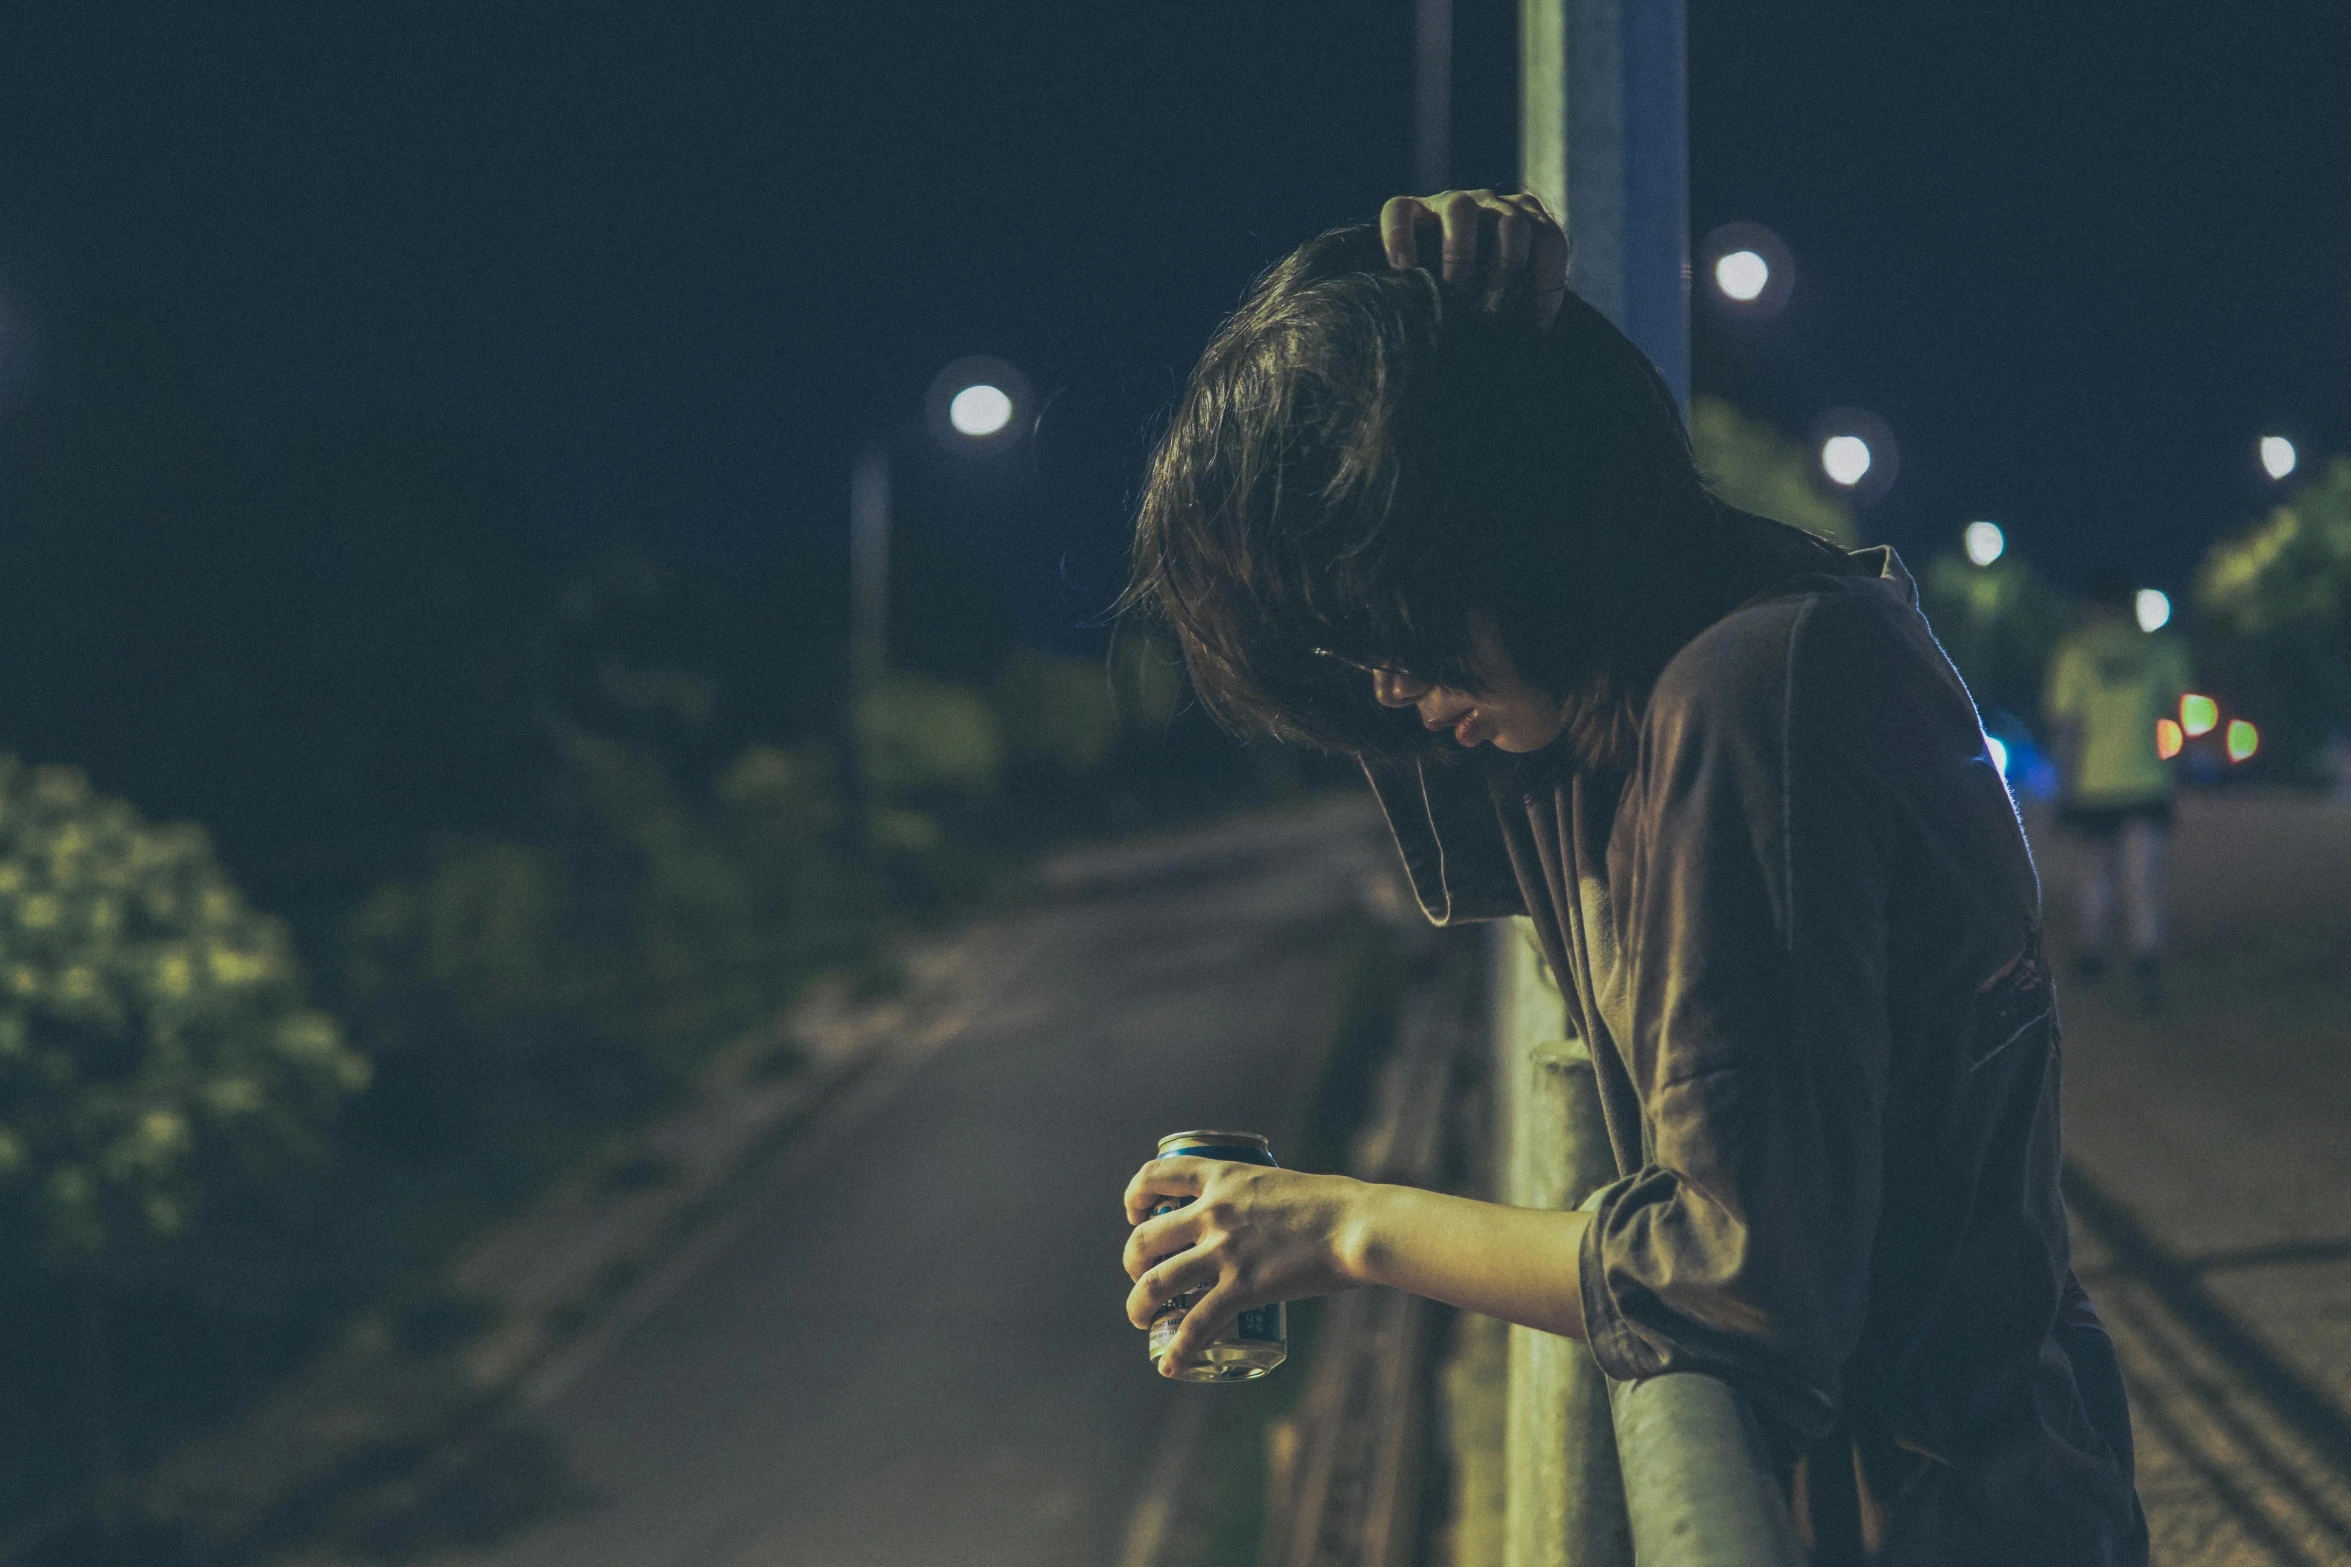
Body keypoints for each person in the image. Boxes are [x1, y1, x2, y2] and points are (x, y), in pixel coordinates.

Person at [1118, 190, 2146, 1564]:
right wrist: (1419, 306)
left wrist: (1337, 1223)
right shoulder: (1662, 673)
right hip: (1958, 1484)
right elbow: (1480, 752)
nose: (1389, 686)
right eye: (1345, 653)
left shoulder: (1745, 699)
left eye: (1391, 622)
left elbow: (1734, 1272)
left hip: (1941, 1513)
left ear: (1507, 516)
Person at [2042, 569, 2193, 1007]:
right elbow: (2178, 717)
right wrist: (2176, 773)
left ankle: (2093, 955)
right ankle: (2146, 961)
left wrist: (2062, 788)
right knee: (2144, 877)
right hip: (2147, 781)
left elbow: (2067, 727)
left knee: (2095, 875)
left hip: (2093, 784)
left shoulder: (2073, 652)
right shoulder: (2162, 649)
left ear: (2091, 608)